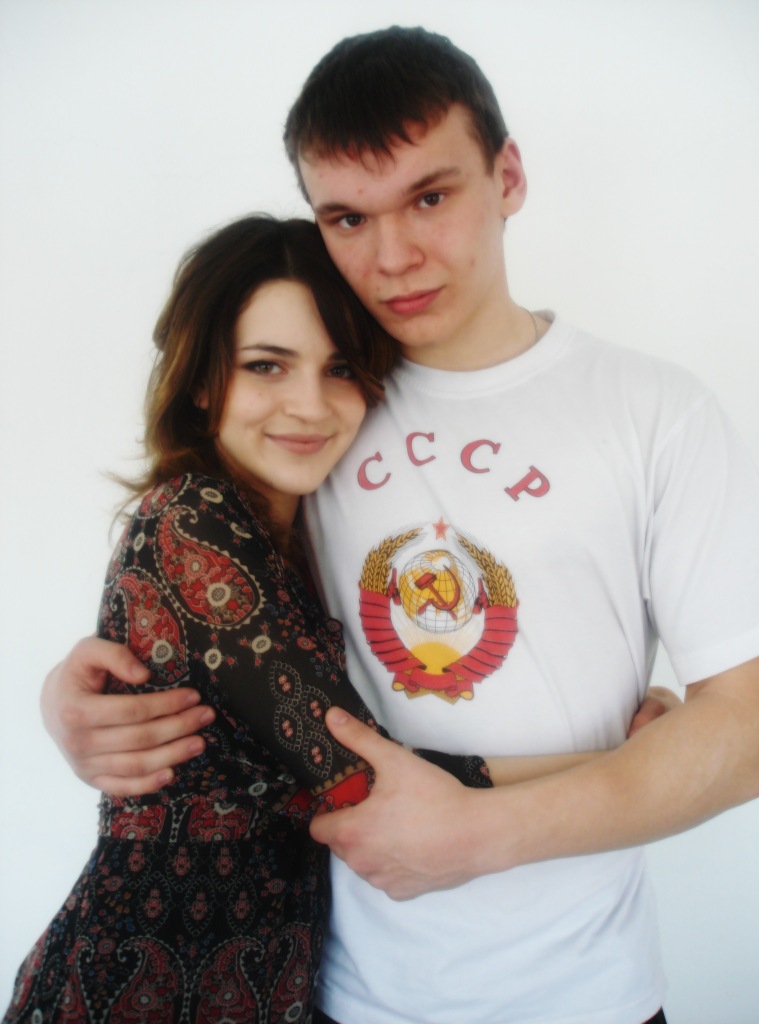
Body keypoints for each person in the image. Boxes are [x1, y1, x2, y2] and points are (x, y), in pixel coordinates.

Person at [39, 25, 759, 1024]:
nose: (392, 256)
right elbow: (211, 628)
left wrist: (483, 832)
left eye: (430, 196)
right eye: (347, 216)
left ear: (508, 176)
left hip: (590, 994)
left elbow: (752, 724)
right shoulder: (312, 425)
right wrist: (81, 699)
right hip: (341, 994)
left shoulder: (655, 412)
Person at [3, 214, 508, 1024]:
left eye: (338, 368)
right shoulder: (189, 519)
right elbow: (364, 778)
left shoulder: (309, 531)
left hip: (271, 988)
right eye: (266, 365)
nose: (309, 406)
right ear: (203, 380)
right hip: (138, 994)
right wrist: (626, 761)